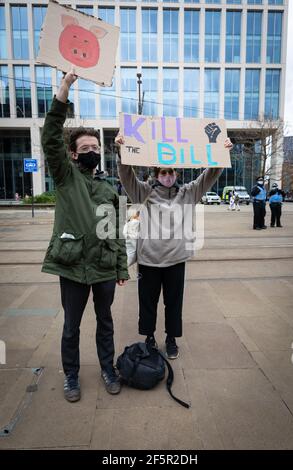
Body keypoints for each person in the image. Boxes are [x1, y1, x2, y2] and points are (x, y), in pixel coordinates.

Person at [41, 69, 129, 403]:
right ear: (74, 154)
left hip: (105, 267)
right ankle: (72, 376)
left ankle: (108, 369)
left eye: (96, 146)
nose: (93, 150)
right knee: (71, 326)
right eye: (86, 147)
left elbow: (116, 232)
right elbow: (51, 137)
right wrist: (64, 87)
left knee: (105, 322)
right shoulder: (65, 177)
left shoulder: (108, 189)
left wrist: (121, 268)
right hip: (73, 267)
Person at [115, 133, 233, 359]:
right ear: (156, 175)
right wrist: (122, 153)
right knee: (147, 304)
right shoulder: (144, 192)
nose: (167, 176)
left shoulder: (188, 193)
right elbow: (126, 176)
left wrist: (221, 153)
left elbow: (209, 175)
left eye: (170, 172)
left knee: (173, 303)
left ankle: (171, 339)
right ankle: (149, 338)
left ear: (176, 173)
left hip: (176, 262)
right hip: (148, 261)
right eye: (163, 172)